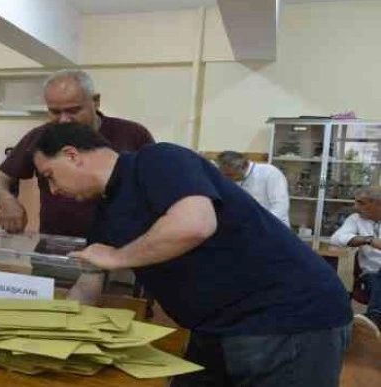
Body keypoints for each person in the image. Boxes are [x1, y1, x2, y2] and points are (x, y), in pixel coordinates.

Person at [33, 122, 352, 387]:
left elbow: (195, 224)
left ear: (71, 155)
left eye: (49, 176)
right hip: (215, 328)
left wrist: (116, 257)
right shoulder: (105, 213)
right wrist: (50, 335)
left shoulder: (158, 160)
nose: (53, 190)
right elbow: (89, 281)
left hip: (288, 318)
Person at [0, 69, 154, 302]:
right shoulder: (40, 137)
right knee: (56, 318)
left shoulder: (132, 134)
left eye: (73, 110)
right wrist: (7, 200)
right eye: (55, 112)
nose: (64, 119)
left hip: (118, 253)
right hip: (57, 252)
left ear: (95, 101)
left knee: (115, 318)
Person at [331, 186, 381, 339]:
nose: (356, 207)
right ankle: (374, 320)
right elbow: (337, 238)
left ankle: (373, 320)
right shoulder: (355, 219)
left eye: (361, 203)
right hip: (371, 273)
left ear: (378, 204)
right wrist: (369, 240)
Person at [216, 151, 290, 226]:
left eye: (230, 175)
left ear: (244, 166)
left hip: (273, 227)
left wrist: (260, 224)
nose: (228, 179)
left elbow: (280, 207)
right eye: (224, 175)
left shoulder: (270, 173)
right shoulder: (233, 178)